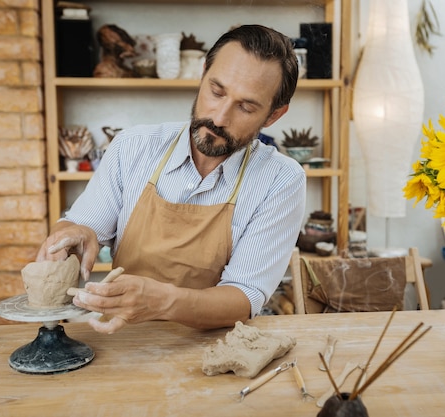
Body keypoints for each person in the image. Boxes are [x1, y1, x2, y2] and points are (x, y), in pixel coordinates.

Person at [36, 24, 307, 333]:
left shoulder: (280, 180)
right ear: (203, 73)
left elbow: (244, 297)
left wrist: (164, 301)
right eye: (216, 91)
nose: (219, 118)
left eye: (246, 107)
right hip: (123, 341)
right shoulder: (133, 147)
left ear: (274, 115)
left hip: (213, 352)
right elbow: (82, 225)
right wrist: (72, 235)